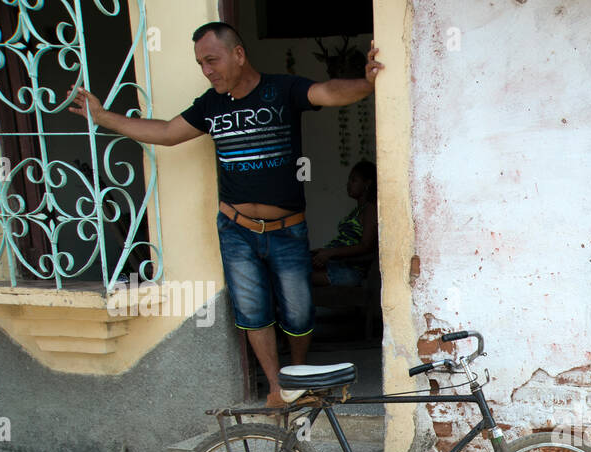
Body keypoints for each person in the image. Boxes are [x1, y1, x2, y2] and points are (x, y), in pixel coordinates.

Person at [68, 22, 383, 407]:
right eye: (201, 63)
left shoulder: (281, 90)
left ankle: (297, 378)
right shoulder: (211, 105)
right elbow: (167, 132)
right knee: (253, 313)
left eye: (212, 60)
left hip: (287, 230)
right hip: (236, 230)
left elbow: (327, 91)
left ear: (238, 54)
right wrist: (102, 118)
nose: (207, 70)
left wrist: (366, 84)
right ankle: (276, 388)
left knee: (299, 313)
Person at [311, 161, 378, 287]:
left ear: (367, 184)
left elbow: (366, 246)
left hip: (350, 271)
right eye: (349, 180)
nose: (348, 184)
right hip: (337, 264)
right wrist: (324, 252)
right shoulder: (356, 211)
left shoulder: (370, 209)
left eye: (354, 180)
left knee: (295, 277)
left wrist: (331, 253)